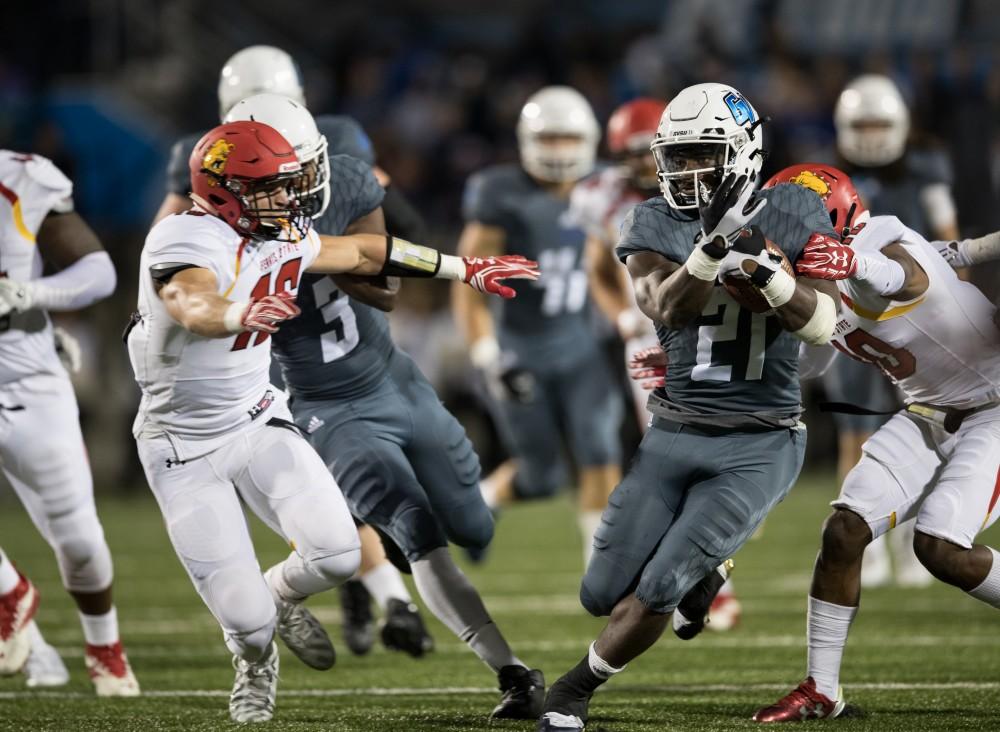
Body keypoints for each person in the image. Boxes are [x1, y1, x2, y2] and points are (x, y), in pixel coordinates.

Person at [126, 119, 535, 723]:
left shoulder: (279, 233)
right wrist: (241, 310)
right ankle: (255, 656)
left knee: (340, 554)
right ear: (224, 190)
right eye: (270, 188)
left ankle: (278, 592)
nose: (288, 200)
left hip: (256, 419)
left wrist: (462, 268)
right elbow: (192, 301)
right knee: (246, 623)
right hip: (181, 445)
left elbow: (366, 251)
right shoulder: (181, 239)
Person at [537, 83, 841, 732]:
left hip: (761, 438)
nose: (681, 171)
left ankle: (573, 690)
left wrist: (763, 267)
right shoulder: (650, 220)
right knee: (599, 593)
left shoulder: (794, 211)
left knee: (659, 586)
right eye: (674, 157)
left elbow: (821, 324)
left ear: (741, 152)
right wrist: (710, 250)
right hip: (673, 432)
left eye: (699, 155)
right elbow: (664, 306)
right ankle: (711, 567)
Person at [154, 43, 431, 657]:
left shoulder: (334, 142)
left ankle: (372, 587)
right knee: (320, 472)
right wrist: (190, 306)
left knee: (339, 480)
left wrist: (428, 262)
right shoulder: (199, 163)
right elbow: (169, 250)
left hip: (309, 314)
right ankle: (381, 590)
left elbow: (382, 233)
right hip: (257, 335)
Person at [753, 164, 1000, 722]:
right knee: (843, 531)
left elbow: (902, 277)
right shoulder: (811, 274)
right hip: (928, 412)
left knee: (939, 547)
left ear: (832, 217)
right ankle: (822, 688)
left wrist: (852, 262)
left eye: (791, 221)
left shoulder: (880, 236)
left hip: (995, 406)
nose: (780, 232)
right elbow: (809, 359)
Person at [455, 85, 623, 566]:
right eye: (548, 139)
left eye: (568, 139)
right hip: (519, 348)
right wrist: (488, 356)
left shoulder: (605, 188)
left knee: (600, 450)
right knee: (541, 476)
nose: (558, 151)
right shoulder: (499, 193)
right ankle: (482, 501)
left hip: (580, 345)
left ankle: (602, 574)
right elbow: (468, 280)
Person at [0, 150, 139, 695]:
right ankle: (10, 594)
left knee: (79, 540)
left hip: (27, 383)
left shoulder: (21, 177)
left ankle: (104, 645)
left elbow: (98, 270)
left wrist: (33, 296)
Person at [827, 74, 959, 588]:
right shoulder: (831, 174)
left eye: (880, 122)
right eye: (861, 123)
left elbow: (949, 242)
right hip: (857, 313)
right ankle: (869, 548)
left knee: (927, 425)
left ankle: (908, 542)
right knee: (854, 428)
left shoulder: (926, 167)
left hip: (918, 314)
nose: (871, 133)